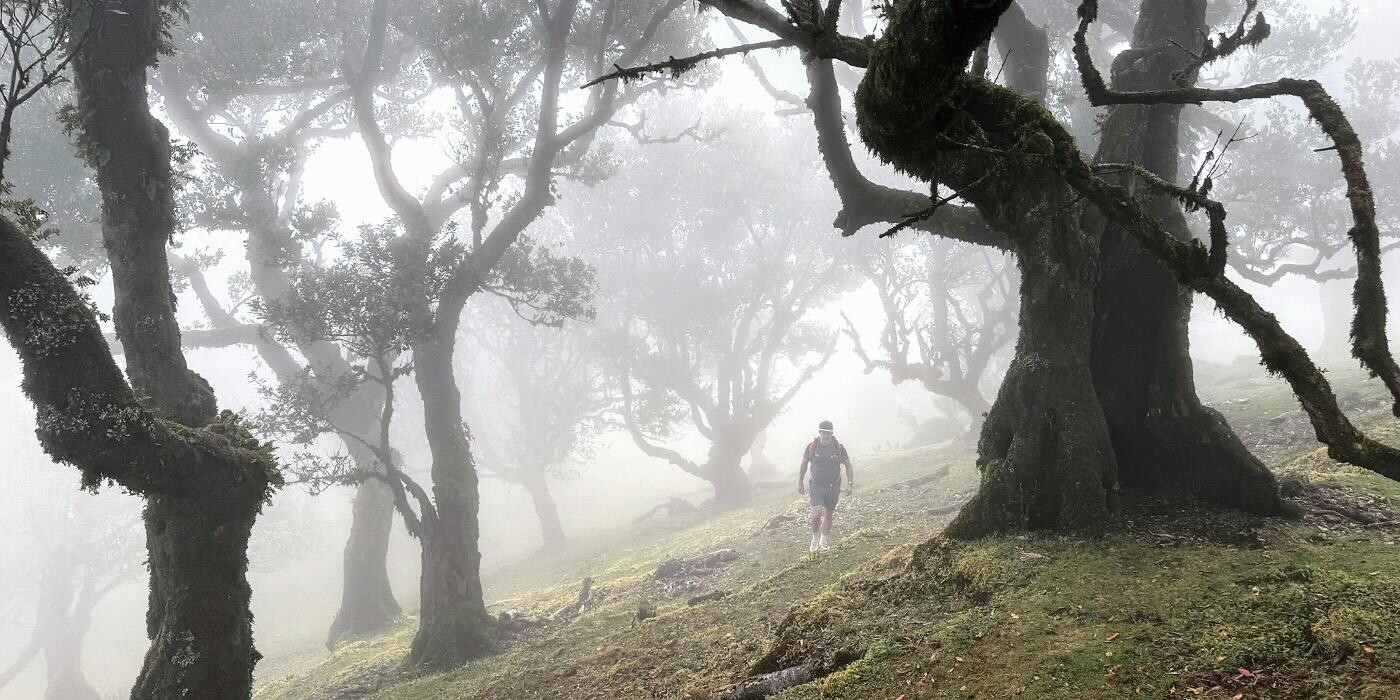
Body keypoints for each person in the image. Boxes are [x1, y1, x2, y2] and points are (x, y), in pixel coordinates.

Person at [798, 420, 853, 552]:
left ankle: (823, 542)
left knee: (828, 513)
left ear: (832, 433)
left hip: (833, 485)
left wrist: (850, 483)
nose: (826, 435)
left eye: (828, 433)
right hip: (816, 485)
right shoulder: (812, 447)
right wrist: (800, 481)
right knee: (816, 513)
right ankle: (814, 538)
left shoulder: (838, 447)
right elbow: (804, 464)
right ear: (819, 432)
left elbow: (848, 465)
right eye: (823, 432)